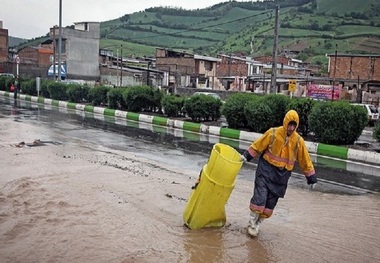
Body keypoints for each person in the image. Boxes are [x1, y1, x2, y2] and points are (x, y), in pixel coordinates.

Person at [240, 109, 317, 237]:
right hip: (265, 170)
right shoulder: (273, 133)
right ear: (285, 122)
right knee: (260, 197)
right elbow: (258, 145)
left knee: (270, 204)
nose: (291, 128)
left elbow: (305, 159)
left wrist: (311, 177)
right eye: (290, 124)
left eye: (294, 125)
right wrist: (246, 156)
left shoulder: (298, 141)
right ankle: (251, 223)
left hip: (281, 176)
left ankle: (258, 223)